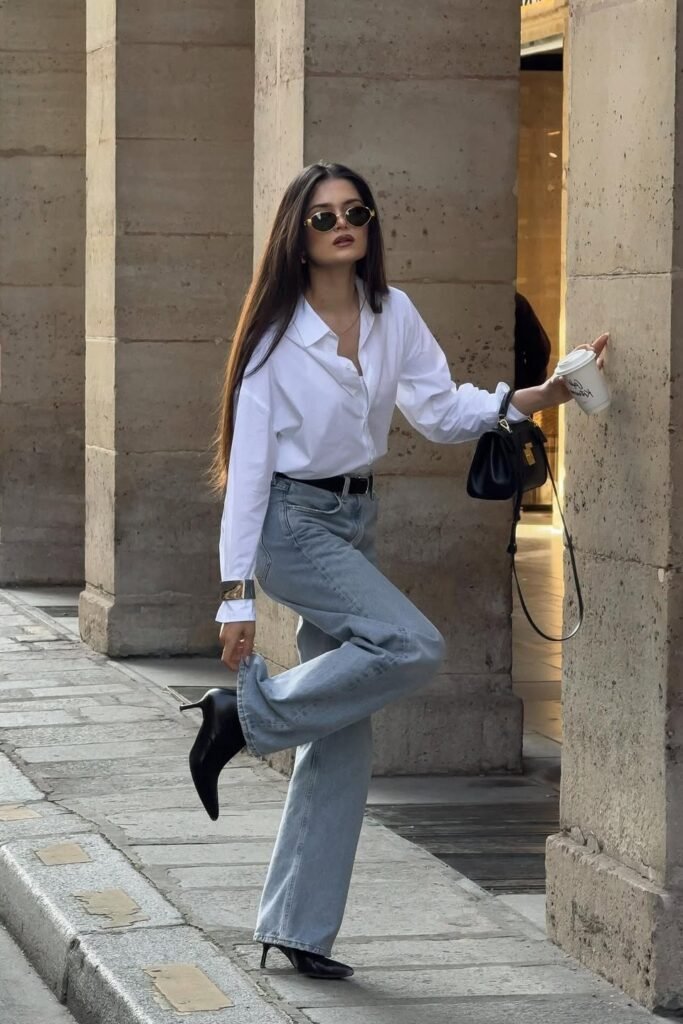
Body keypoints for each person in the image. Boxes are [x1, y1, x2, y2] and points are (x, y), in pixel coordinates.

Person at [181, 162, 608, 980]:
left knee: (341, 735)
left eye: (355, 211)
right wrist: (234, 596)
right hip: (290, 524)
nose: (342, 224)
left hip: (354, 519)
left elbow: (440, 409)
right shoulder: (275, 340)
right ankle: (238, 717)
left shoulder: (391, 312)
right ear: (296, 239)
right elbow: (249, 472)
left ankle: (297, 928)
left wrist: (543, 393)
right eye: (322, 217)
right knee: (412, 645)